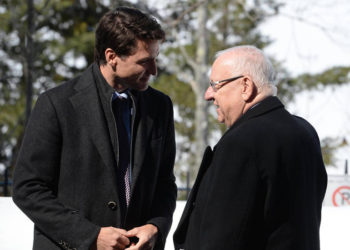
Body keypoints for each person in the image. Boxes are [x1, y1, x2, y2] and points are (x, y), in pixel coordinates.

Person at [13, 7, 177, 250]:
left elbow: (165, 182)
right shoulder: (56, 103)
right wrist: (90, 236)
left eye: (156, 58)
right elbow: (27, 188)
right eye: (144, 61)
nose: (154, 70)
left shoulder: (160, 106)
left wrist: (156, 226)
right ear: (112, 57)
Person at [173, 45, 327, 250]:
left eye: (215, 85)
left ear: (245, 86)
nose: (208, 95)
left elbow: (224, 237)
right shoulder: (305, 130)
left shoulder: (242, 141)